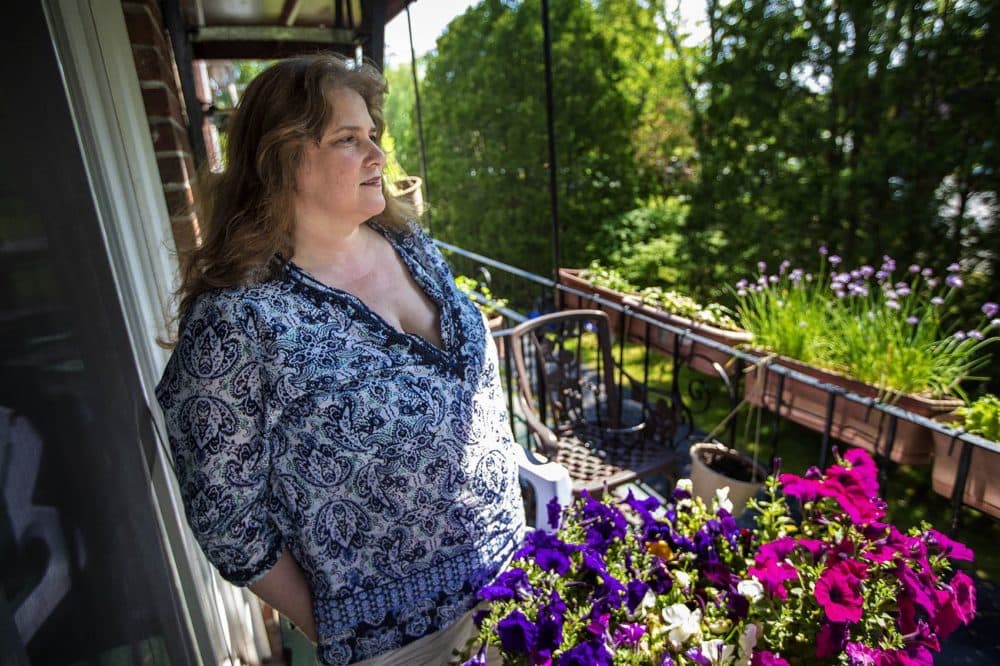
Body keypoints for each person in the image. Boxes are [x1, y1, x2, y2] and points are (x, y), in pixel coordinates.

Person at [156, 54, 525, 665]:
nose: (377, 155)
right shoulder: (237, 322)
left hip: (515, 579)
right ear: (280, 159)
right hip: (402, 645)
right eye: (347, 140)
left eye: (371, 135)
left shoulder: (410, 244)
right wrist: (336, 628)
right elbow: (226, 518)